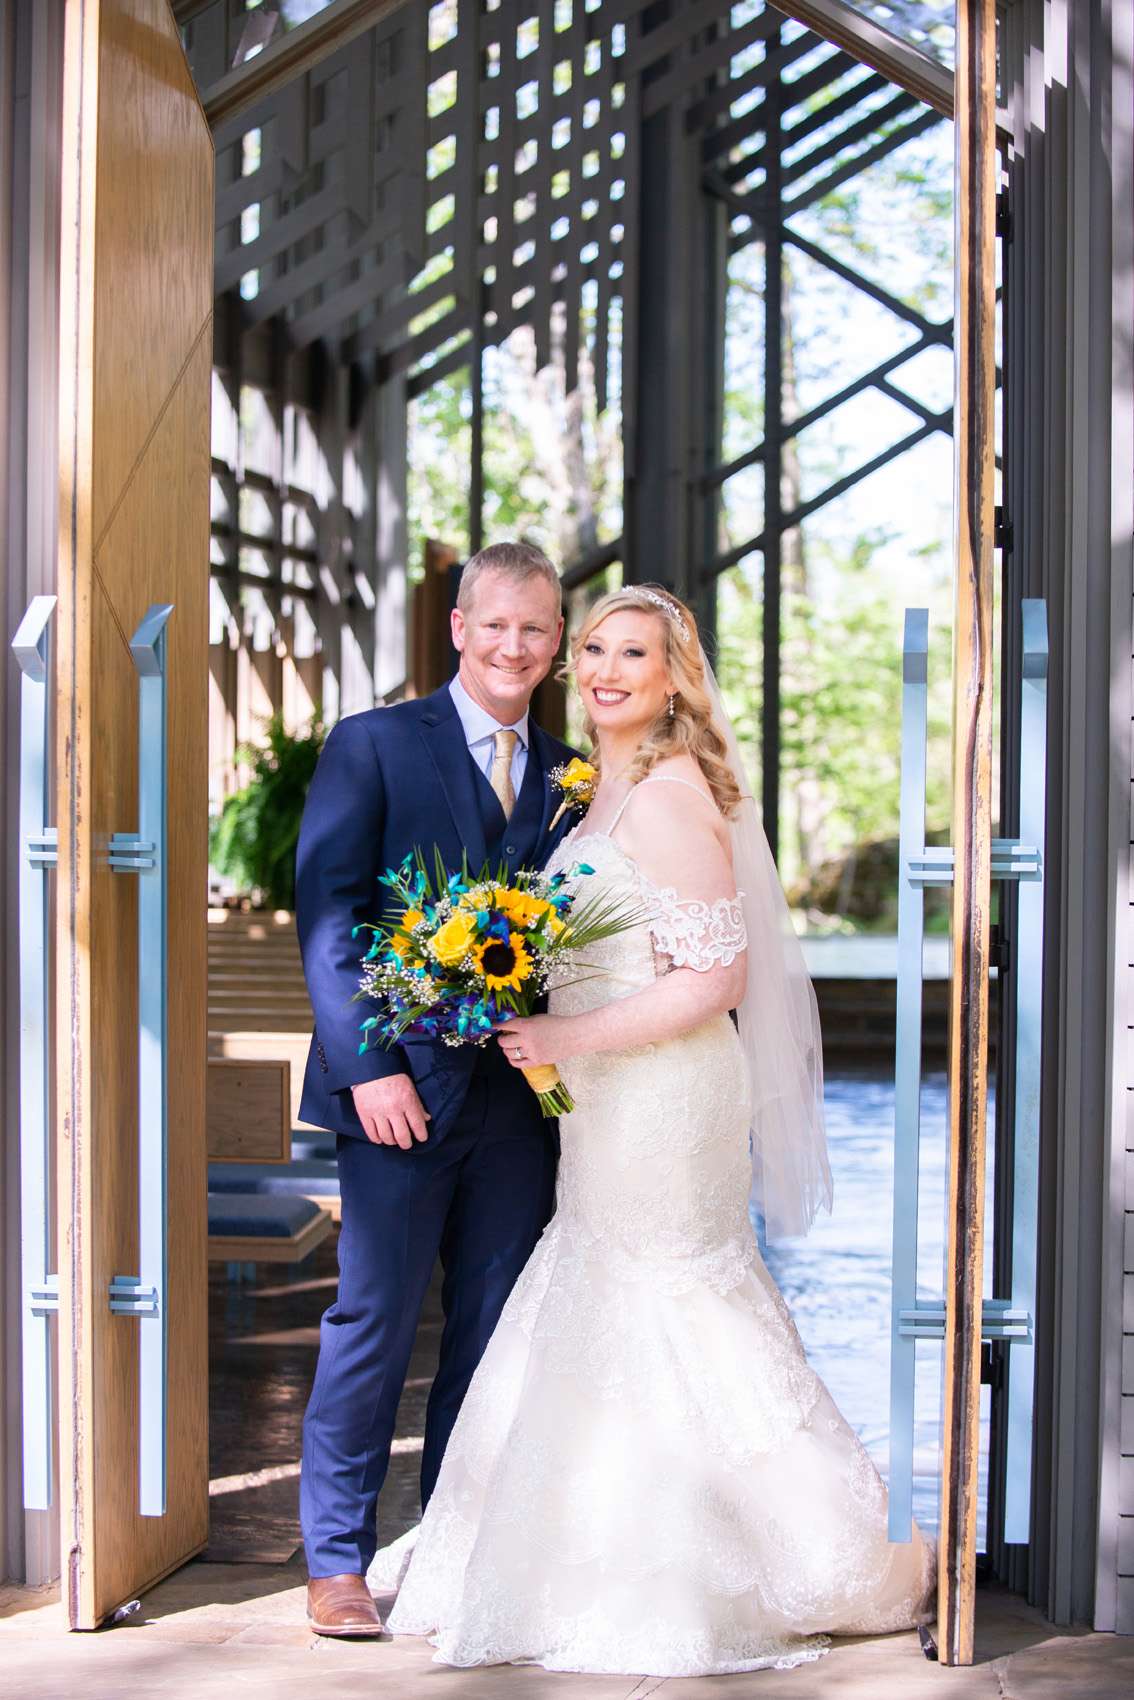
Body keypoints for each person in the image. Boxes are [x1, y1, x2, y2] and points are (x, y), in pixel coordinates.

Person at [372, 584, 935, 1676]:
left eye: (633, 652)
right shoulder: (596, 793)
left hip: (668, 1100)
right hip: (606, 1105)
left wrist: (559, 1038)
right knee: (594, 1286)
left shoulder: (675, 795)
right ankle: (546, 1546)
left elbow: (715, 979)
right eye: (593, 649)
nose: (604, 669)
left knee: (673, 1297)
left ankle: (769, 1556)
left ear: (675, 676)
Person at [295, 541, 581, 1637]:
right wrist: (367, 1066)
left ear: (555, 644)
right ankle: (336, 1561)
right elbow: (331, 919)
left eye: (538, 629)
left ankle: (456, 1549)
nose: (516, 645)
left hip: (518, 1106)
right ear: (458, 627)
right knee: (370, 1321)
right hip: (397, 1095)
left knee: (492, 1329)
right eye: (497, 624)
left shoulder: (570, 775)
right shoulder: (373, 744)